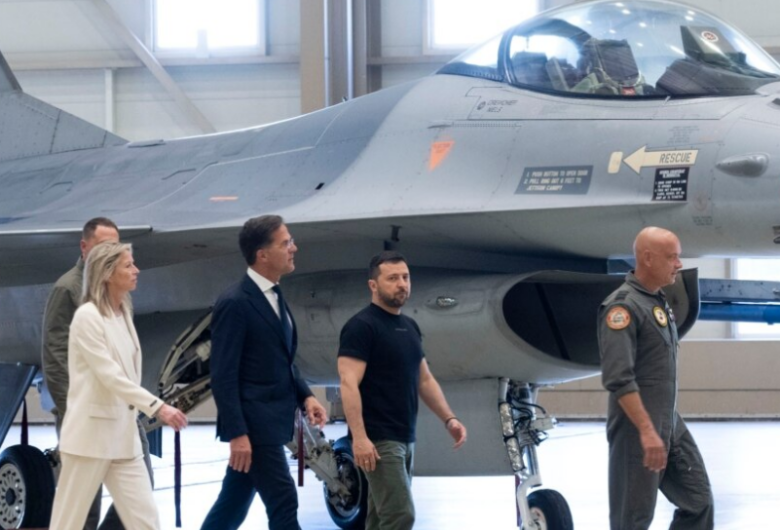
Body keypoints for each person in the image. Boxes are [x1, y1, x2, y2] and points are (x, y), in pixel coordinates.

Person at [48, 241, 188, 529]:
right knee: (68, 523)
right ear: (108, 273)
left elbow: (127, 372)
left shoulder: (122, 313)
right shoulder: (87, 317)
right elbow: (109, 375)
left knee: (146, 521)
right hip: (89, 440)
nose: (137, 270)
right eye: (128, 265)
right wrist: (157, 406)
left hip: (124, 440)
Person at [201, 215, 328, 530]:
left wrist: (306, 395)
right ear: (262, 255)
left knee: (232, 505)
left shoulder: (275, 296)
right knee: (283, 500)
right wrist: (237, 434)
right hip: (254, 427)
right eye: (286, 243)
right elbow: (223, 374)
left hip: (272, 422)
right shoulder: (235, 303)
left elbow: (281, 359)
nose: (293, 248)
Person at [337, 251, 467, 530]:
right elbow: (348, 383)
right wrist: (359, 438)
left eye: (405, 277)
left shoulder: (409, 327)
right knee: (400, 515)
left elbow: (425, 380)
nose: (402, 284)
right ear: (373, 285)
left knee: (379, 518)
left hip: (405, 436)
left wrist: (449, 419)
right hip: (378, 440)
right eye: (393, 278)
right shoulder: (361, 327)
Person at [598, 227, 714, 530]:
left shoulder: (657, 300)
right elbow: (618, 378)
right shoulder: (622, 308)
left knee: (698, 502)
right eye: (672, 257)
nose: (679, 264)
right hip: (637, 429)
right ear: (648, 259)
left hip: (669, 423)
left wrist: (663, 427)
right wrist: (647, 431)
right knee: (632, 519)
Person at [42, 217, 154, 530]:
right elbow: (54, 355)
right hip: (85, 417)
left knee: (140, 493)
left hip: (122, 416)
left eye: (115, 245)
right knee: (84, 509)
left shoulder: (119, 290)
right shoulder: (68, 289)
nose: (112, 252)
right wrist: (72, 411)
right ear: (84, 247)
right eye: (104, 245)